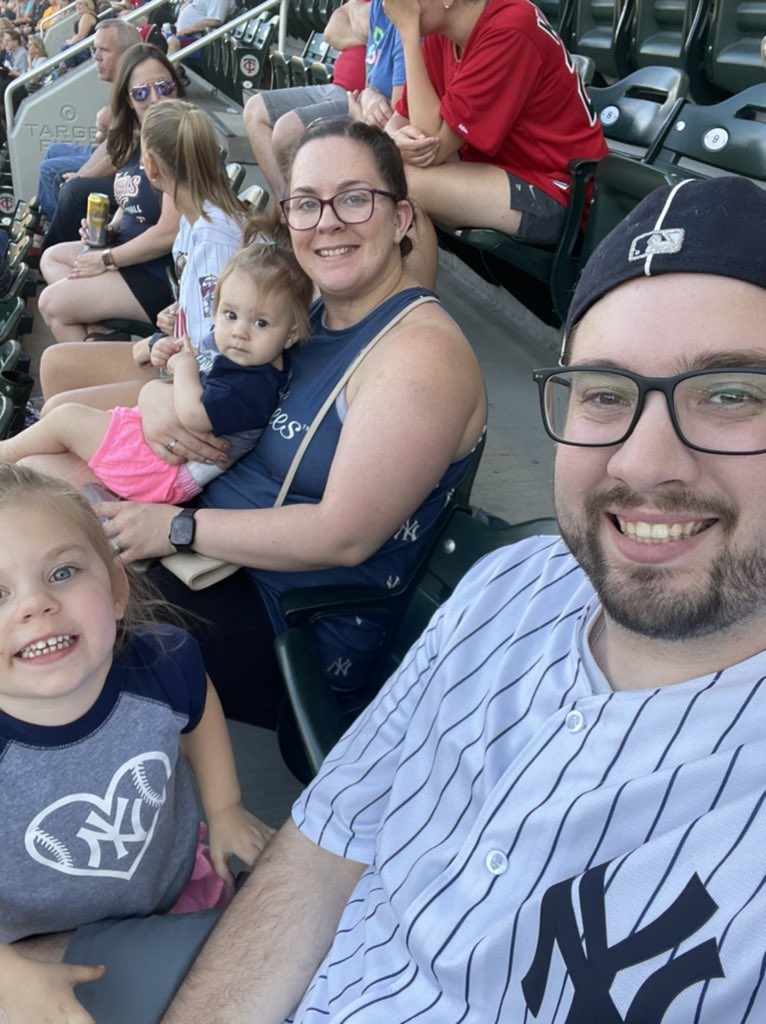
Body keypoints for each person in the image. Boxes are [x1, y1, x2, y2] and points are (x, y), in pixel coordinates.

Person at [157, 174, 766, 1022]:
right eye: (603, 392)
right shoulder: (511, 586)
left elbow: (342, 535)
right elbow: (325, 848)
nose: (643, 461)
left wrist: (177, 532)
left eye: (731, 394)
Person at [35, 118, 486, 728]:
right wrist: (157, 400)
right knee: (37, 479)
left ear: (401, 218)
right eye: (306, 204)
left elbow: (342, 536)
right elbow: (222, 377)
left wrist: (177, 528)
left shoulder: (418, 356)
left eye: (355, 199)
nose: (328, 222)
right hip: (217, 548)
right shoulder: (314, 309)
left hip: (290, 621)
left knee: (39, 591)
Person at [0, 463, 273, 1024]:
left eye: (62, 572)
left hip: (164, 892)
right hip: (29, 943)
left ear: (117, 589)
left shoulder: (162, 662)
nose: (34, 606)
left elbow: (197, 706)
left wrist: (224, 807)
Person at [0, 237, 312, 503]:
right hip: (157, 455)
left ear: (291, 334)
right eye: (229, 314)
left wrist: (185, 366)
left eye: (260, 323)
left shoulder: (253, 383)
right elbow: (190, 367)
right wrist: (168, 354)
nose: (240, 332)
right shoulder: (243, 355)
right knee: (50, 440)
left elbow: (193, 413)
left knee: (65, 420)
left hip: (161, 470)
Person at [39, 97, 248, 411]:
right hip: (178, 352)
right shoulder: (196, 221)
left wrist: (157, 345)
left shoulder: (212, 236)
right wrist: (179, 309)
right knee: (54, 363)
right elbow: (213, 301)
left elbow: (217, 350)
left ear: (149, 166)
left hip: (195, 384)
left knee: (56, 410)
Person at [384, 0, 608, 245]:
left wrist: (407, 33)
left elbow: (431, 147)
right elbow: (397, 122)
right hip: (499, 175)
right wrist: (396, 141)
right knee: (380, 168)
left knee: (400, 182)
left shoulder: (510, 27)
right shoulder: (443, 36)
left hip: (561, 193)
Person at [37, 44, 185, 342]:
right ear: (129, 100)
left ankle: (96, 368)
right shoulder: (143, 136)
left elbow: (168, 233)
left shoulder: (179, 141)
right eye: (141, 92)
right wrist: (112, 228)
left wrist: (106, 259)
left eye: (164, 87)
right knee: (51, 258)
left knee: (51, 304)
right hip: (128, 254)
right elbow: (130, 202)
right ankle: (99, 333)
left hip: (156, 273)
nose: (155, 99)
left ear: (176, 88)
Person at [243, 0, 404, 201]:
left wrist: (358, 23)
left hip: (356, 97)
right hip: (336, 88)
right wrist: (360, 23)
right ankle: (285, 204)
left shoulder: (399, 10)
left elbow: (366, 26)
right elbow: (332, 32)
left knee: (286, 131)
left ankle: (297, 207)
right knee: (255, 109)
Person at [35, 19, 142, 226]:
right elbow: (109, 143)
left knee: (50, 171)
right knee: (53, 151)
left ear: (127, 54)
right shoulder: (123, 82)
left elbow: (120, 155)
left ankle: (57, 228)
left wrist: (81, 176)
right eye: (95, 50)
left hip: (130, 175)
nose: (96, 58)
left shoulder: (138, 89)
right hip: (113, 156)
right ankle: (49, 221)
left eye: (105, 50)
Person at [165, 0, 232, 54]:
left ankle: (168, 70)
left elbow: (215, 21)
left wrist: (188, 29)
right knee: (161, 37)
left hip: (199, 40)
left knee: (172, 42)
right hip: (183, 35)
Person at [56, 0, 96, 69]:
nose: (78, 6)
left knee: (66, 47)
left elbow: (81, 36)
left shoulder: (87, 16)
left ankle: (70, 70)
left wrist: (69, 42)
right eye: (77, 4)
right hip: (87, 47)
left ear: (88, 5)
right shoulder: (86, 16)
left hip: (90, 50)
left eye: (80, 4)